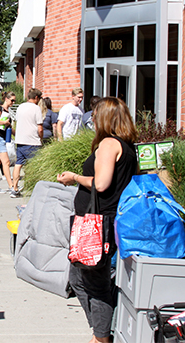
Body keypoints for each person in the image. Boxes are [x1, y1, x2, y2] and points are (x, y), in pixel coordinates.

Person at [56, 97, 138, 343]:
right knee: (79, 279)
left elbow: (101, 183)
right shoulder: (127, 145)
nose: (91, 120)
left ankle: (101, 336)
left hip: (96, 224)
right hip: (103, 221)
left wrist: (74, 177)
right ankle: (101, 330)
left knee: (93, 282)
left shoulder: (109, 144)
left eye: (95, 115)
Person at [11, 88, 43, 197]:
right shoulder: (36, 108)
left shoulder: (20, 107)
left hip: (20, 140)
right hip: (32, 141)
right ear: (37, 98)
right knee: (33, 166)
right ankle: (32, 187)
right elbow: (40, 128)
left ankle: (14, 187)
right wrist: (41, 139)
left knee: (18, 164)